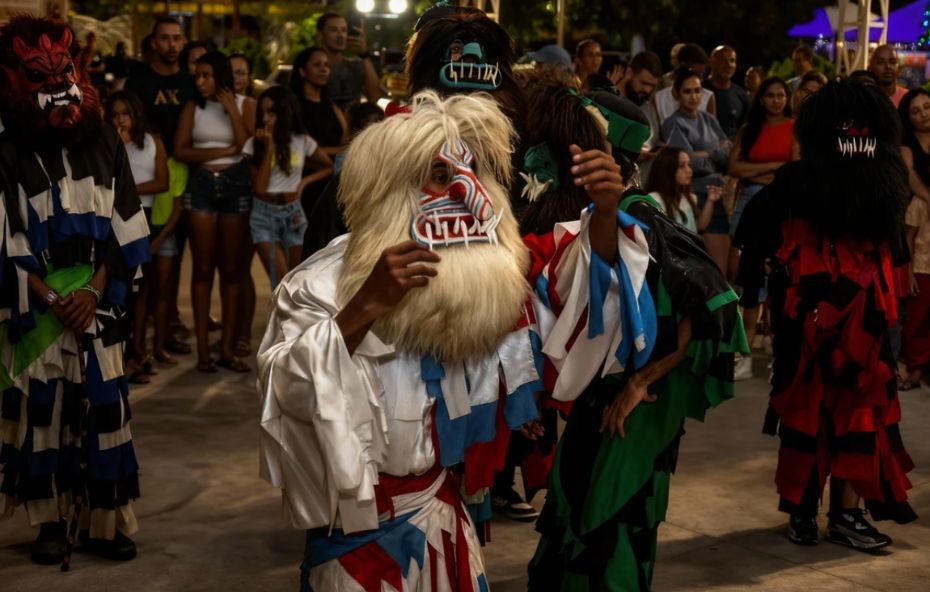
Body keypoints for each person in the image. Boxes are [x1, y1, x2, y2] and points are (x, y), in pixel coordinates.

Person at [258, 90, 640, 591]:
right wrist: (366, 305)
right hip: (354, 546)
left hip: (447, 523)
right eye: (442, 176)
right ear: (396, 188)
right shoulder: (323, 281)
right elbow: (286, 390)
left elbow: (575, 322)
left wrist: (606, 216)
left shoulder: (487, 286)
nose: (469, 194)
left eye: (474, 172)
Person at [523, 81, 745, 591]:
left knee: (610, 537)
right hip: (589, 407)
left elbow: (716, 307)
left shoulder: (641, 214)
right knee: (573, 527)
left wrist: (643, 380)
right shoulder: (575, 215)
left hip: (629, 420)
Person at [735, 80, 917, 550]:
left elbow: (894, 247)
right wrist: (771, 267)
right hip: (806, 321)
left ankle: (845, 515)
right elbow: (752, 235)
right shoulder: (799, 181)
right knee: (805, 412)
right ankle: (801, 510)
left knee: (859, 415)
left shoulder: (886, 182)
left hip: (864, 321)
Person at [0, 16, 149, 563]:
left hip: (97, 299)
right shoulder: (9, 152)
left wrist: (94, 289)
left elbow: (127, 227)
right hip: (41, 305)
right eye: (42, 74)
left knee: (104, 409)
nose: (59, 84)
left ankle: (104, 524)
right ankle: (48, 525)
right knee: (44, 413)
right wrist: (48, 296)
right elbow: (5, 241)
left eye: (64, 69)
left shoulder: (106, 138)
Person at [174, 51, 255, 373]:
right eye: (198, 76)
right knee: (203, 269)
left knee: (232, 270)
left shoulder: (245, 104)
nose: (201, 81)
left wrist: (231, 108)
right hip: (203, 185)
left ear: (220, 76)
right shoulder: (193, 107)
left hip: (236, 185)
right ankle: (204, 352)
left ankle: (226, 348)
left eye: (207, 75)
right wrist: (222, 151)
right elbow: (180, 150)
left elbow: (246, 144)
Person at [105, 90, 177, 381]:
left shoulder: (152, 141)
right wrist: (116, 149)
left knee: (140, 290)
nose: (121, 120)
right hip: (112, 220)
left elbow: (163, 182)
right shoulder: (106, 144)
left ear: (136, 115)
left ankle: (137, 353)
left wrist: (130, 192)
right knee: (116, 291)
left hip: (141, 219)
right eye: (115, 114)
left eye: (126, 113)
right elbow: (103, 182)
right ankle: (117, 360)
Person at [727, 76, 794, 380]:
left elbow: (795, 169)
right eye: (771, 95)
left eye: (781, 95)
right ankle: (744, 350)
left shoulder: (795, 128)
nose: (777, 100)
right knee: (746, 273)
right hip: (749, 200)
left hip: (782, 202)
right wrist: (773, 169)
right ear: (762, 99)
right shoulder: (749, 130)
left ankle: (775, 350)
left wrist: (771, 175)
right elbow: (735, 168)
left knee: (779, 274)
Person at [244, 86, 332, 287]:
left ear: (285, 113)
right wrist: (268, 149)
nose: (265, 119)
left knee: (296, 281)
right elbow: (259, 188)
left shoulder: (302, 141)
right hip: (264, 214)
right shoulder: (253, 145)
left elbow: (328, 166)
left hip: (293, 213)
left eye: (271, 113)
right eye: (262, 113)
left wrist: (304, 182)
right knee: (280, 281)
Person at [661, 68, 732, 273]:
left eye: (698, 90)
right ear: (676, 93)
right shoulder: (673, 123)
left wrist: (704, 154)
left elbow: (729, 153)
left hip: (722, 193)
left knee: (726, 270)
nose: (694, 97)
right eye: (688, 91)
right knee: (711, 270)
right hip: (697, 194)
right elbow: (688, 162)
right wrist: (714, 154)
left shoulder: (709, 119)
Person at [898, 88, 930, 390]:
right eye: (916, 110)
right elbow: (911, 179)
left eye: (927, 107)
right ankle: (915, 368)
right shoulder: (907, 147)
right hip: (921, 237)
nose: (924, 114)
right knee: (918, 314)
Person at [289, 46, 345, 216]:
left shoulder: (332, 106)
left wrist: (320, 152)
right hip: (302, 181)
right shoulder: (294, 106)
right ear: (302, 71)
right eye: (317, 64)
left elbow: (347, 144)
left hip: (333, 182)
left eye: (327, 65)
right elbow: (298, 150)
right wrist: (331, 153)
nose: (323, 69)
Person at [316, 11, 380, 110]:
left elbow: (374, 97)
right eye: (334, 30)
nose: (341, 35)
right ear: (320, 35)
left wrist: (364, 55)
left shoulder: (355, 65)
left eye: (344, 30)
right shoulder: (314, 68)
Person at [644, 146, 706, 233]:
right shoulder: (654, 200)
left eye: (689, 165)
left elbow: (698, 227)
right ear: (666, 169)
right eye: (681, 166)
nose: (689, 171)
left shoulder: (687, 198)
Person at [653, 43, 715, 124]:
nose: (700, 80)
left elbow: (712, 133)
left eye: (704, 74)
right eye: (698, 74)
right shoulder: (659, 98)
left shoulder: (708, 97)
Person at [704, 45, 749, 139]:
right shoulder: (698, 90)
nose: (729, 65)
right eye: (723, 60)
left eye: (732, 61)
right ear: (711, 63)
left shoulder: (741, 94)